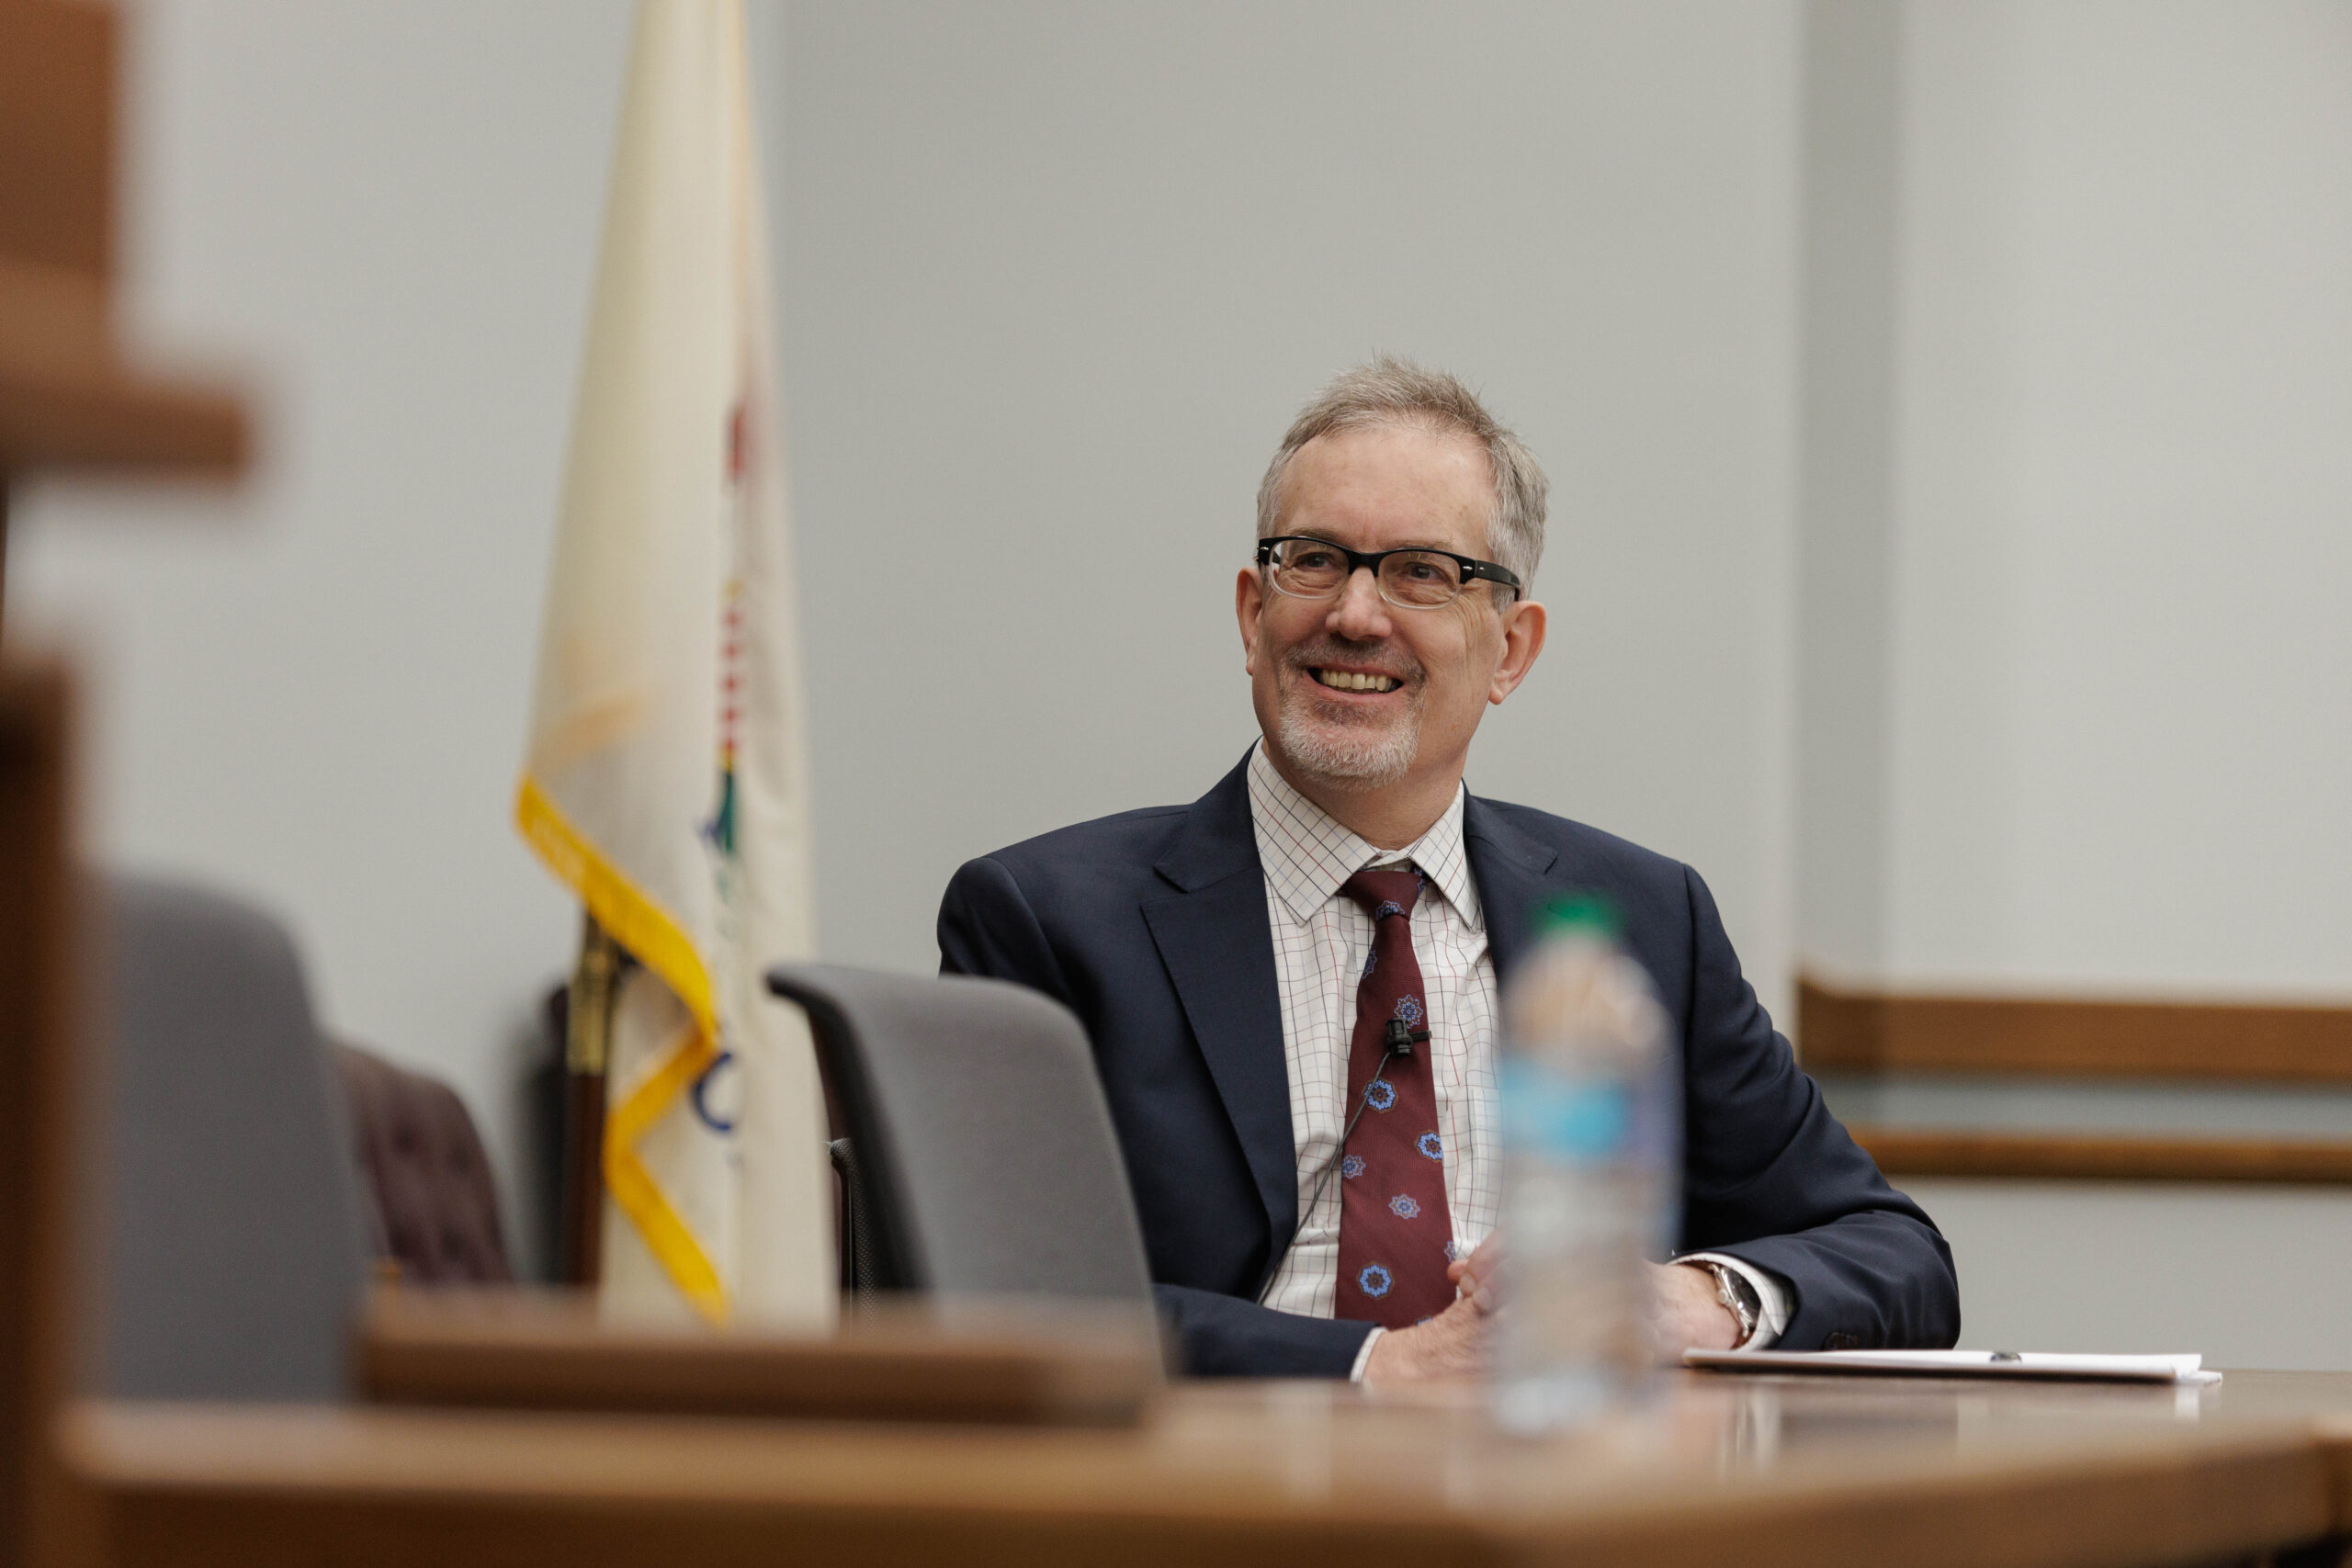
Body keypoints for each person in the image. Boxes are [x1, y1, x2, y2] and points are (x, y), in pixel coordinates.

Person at [937, 359, 1959, 1380]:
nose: (1355, 614)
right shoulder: (1048, 919)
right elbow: (987, 1288)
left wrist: (1692, 1302)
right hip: (1213, 1503)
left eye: (1423, 571)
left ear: (1511, 650)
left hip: (1566, 1508)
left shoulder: (1643, 922)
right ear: (1252, 615)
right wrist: (1379, 1368)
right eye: (1315, 560)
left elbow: (1892, 1253)